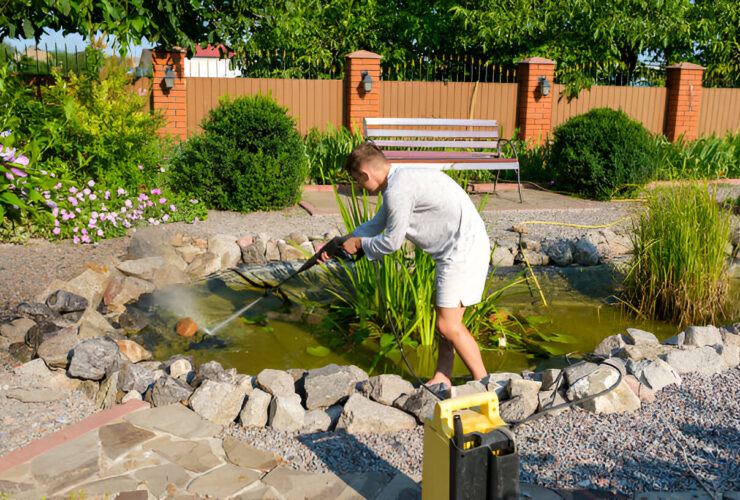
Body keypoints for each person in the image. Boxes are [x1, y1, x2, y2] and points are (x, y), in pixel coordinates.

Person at [333, 141, 490, 388]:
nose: (359, 186)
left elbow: (392, 242)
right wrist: (343, 242)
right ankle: (443, 376)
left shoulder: (397, 190)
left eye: (357, 180)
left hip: (462, 250)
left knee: (448, 325)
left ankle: (486, 384)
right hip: (462, 245)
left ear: (366, 174)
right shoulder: (399, 179)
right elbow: (377, 223)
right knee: (446, 317)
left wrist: (362, 245)